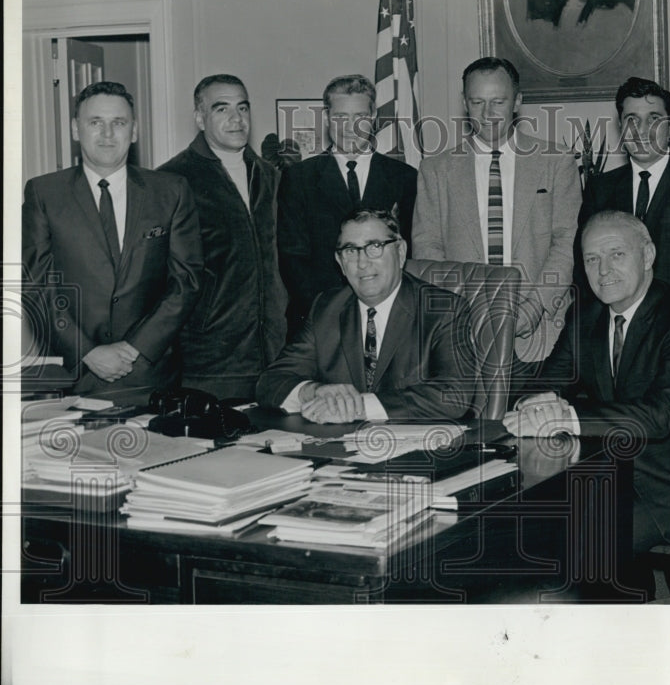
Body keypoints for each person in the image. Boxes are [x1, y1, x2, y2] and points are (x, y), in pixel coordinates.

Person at [503, 210, 670, 597]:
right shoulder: (587, 314)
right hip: (612, 474)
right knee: (518, 523)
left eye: (616, 255)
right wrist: (532, 403)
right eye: (591, 259)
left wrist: (567, 416)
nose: (603, 270)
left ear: (648, 255)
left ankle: (615, 634)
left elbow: (660, 416)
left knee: (584, 544)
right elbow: (549, 379)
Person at [22, 81, 202, 397]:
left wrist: (137, 348)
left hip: (150, 371)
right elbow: (36, 286)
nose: (107, 134)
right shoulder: (44, 193)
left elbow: (186, 281)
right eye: (96, 122)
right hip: (76, 374)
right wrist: (87, 351)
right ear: (76, 130)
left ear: (133, 131)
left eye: (118, 123)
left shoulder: (171, 191)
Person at [411, 57, 581, 371]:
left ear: (517, 101)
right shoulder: (435, 170)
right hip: (462, 334)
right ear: (464, 103)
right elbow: (428, 251)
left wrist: (534, 306)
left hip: (539, 334)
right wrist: (467, 312)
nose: (487, 114)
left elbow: (566, 241)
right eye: (477, 102)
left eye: (498, 102)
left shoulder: (556, 161)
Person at [257, 209, 475, 424]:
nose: (362, 263)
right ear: (340, 262)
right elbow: (270, 382)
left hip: (420, 452)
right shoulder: (327, 309)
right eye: (351, 251)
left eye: (374, 247)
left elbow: (454, 394)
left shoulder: (443, 310)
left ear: (400, 252)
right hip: (339, 450)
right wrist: (314, 392)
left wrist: (359, 406)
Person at [158, 74, 287, 399]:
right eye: (222, 109)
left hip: (275, 358)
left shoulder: (271, 177)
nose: (236, 119)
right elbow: (160, 279)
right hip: (208, 361)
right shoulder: (172, 180)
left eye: (242, 108)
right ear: (199, 118)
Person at [277, 74, 417, 337]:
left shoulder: (405, 178)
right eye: (341, 117)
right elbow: (292, 259)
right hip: (317, 319)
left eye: (360, 117)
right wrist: (331, 313)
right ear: (328, 118)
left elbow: (408, 255)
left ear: (373, 117)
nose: (350, 127)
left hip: (389, 320)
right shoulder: (299, 178)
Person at [579, 77, 670, 309]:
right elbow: (585, 267)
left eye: (654, 119)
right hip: (612, 329)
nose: (642, 130)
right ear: (620, 126)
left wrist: (654, 330)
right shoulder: (600, 188)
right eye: (632, 120)